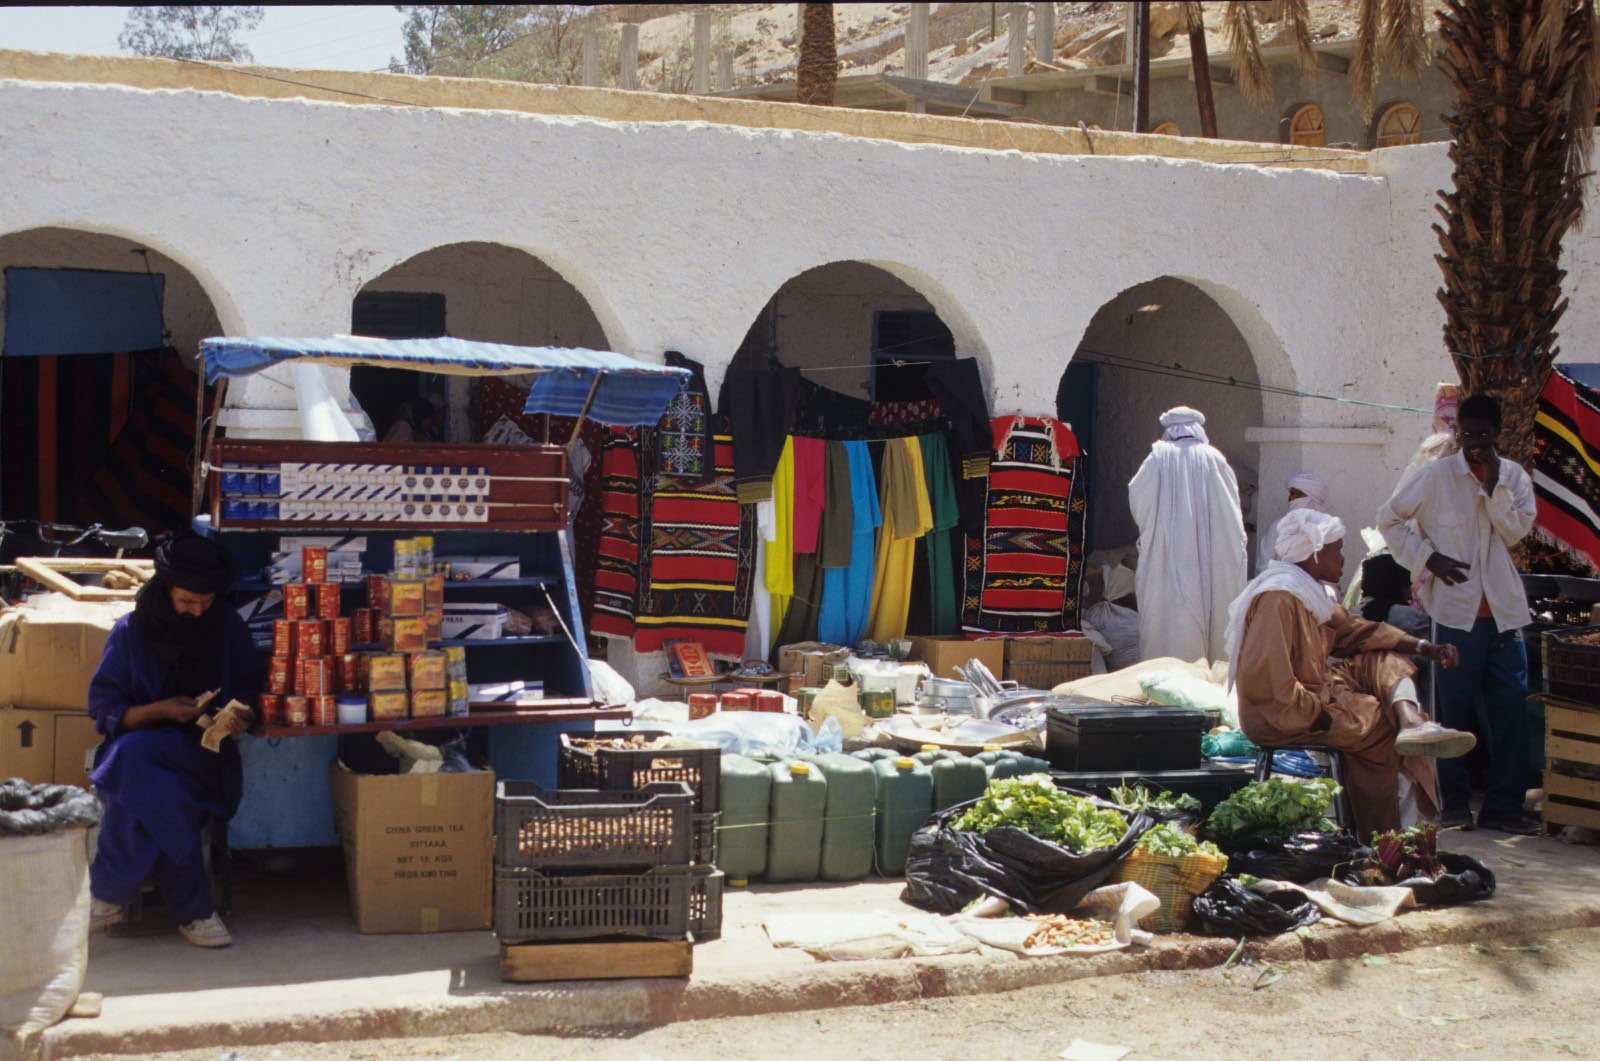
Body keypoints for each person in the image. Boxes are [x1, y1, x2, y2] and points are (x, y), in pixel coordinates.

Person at [1226, 508, 1474, 837]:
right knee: (1382, 728)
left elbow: (1356, 631)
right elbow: (1269, 685)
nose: (1343, 558)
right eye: (1337, 549)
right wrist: (1322, 714)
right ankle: (1380, 837)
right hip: (1284, 714)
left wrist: (1423, 646)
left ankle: (1412, 722)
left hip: (1315, 696)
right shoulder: (1278, 598)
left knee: (1383, 657)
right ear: (1314, 553)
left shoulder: (1309, 593)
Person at [86, 531, 260, 946]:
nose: (197, 611)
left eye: (206, 602)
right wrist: (161, 710)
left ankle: (108, 895)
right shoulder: (130, 631)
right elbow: (105, 710)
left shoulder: (226, 627)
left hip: (203, 758)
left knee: (133, 766)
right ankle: (194, 912)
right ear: (166, 589)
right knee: (157, 782)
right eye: (187, 601)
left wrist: (243, 715)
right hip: (140, 751)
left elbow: (253, 689)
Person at [1377, 392, 1540, 834]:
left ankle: (1504, 809)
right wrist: (1428, 558)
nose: (1475, 444)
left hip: (1504, 613)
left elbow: (1514, 532)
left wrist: (1494, 485)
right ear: (1458, 432)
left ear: (1497, 434)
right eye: (1468, 435)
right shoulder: (1435, 476)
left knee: (1510, 712)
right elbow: (1388, 520)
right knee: (1450, 715)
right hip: (1454, 615)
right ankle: (1450, 806)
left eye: (1483, 436)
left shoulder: (1514, 477)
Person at [1128, 406, 1248, 663]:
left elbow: (1138, 498)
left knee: (1168, 621)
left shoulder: (1157, 459)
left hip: (1164, 559)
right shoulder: (1214, 459)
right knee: (1216, 617)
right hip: (1213, 557)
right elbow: (1232, 512)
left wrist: (1158, 530)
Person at [1256, 473, 1330, 572]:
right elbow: (1264, 564)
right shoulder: (1278, 526)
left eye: (1298, 494)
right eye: (1291, 494)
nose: (1291, 498)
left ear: (1312, 497)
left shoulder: (1327, 529)